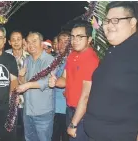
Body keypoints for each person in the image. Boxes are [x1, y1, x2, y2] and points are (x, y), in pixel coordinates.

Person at [84, 2, 138, 141]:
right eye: (107, 21)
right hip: (95, 134)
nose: (108, 25)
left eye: (115, 20)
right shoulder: (112, 51)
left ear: (132, 22)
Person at [49, 21, 99, 141]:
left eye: (80, 37)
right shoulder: (72, 55)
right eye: (73, 37)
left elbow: (86, 96)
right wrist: (55, 81)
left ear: (89, 39)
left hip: (82, 114)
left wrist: (74, 124)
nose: (75, 40)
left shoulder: (91, 60)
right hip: (70, 108)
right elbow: (65, 79)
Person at [16, 32, 54, 141]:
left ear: (41, 43)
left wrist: (28, 85)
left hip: (43, 113)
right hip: (27, 111)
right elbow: (23, 83)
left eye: (34, 41)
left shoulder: (49, 60)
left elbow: (46, 81)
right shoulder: (27, 60)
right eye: (28, 42)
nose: (31, 44)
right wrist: (21, 76)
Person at [51, 31, 70, 141]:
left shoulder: (73, 59)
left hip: (67, 108)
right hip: (52, 107)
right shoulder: (53, 60)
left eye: (66, 42)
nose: (62, 44)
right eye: (60, 41)